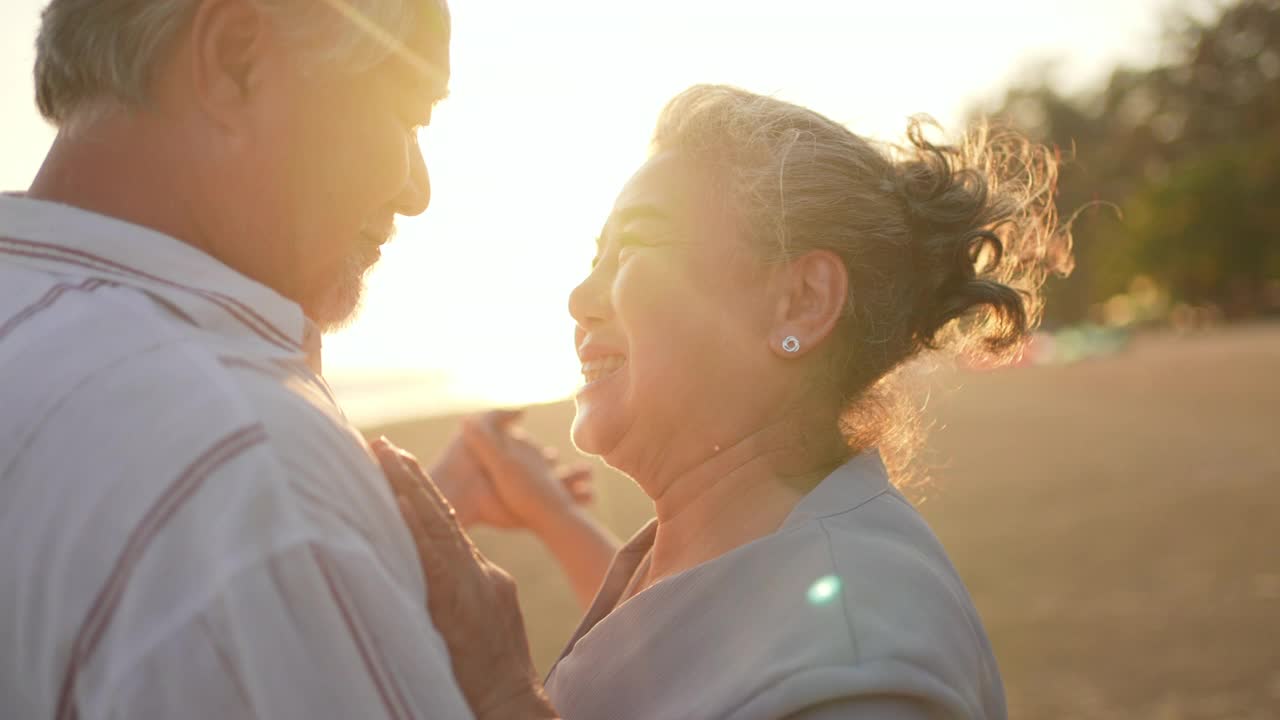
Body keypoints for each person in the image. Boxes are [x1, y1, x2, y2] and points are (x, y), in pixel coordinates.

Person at [384, 85, 1073, 719]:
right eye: (595, 257)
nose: (580, 298)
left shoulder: (861, 671)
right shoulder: (744, 541)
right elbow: (693, 656)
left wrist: (500, 691)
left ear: (800, 303)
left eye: (634, 248)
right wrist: (554, 516)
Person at [0, 1, 557, 718]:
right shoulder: (250, 469)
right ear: (236, 61)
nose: (418, 191)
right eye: (409, 117)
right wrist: (507, 693)